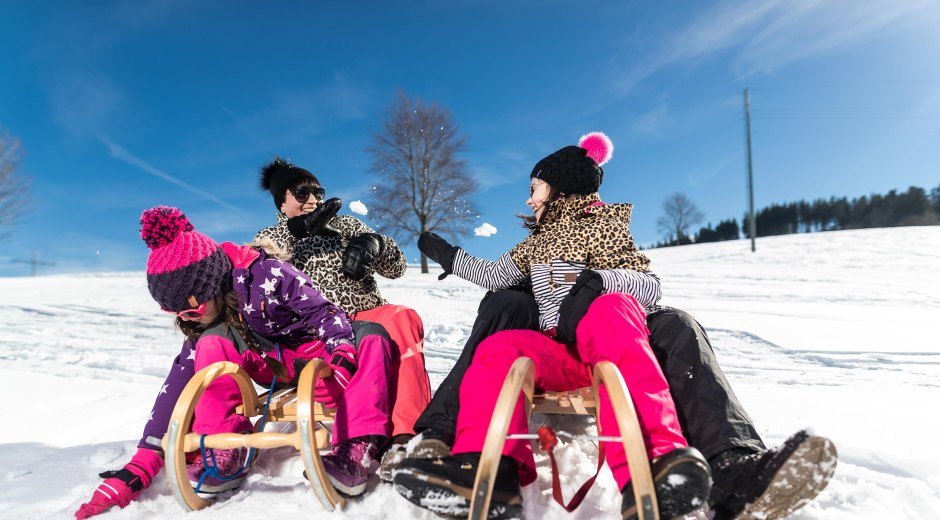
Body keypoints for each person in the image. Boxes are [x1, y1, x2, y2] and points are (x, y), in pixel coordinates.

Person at [394, 132, 712, 520]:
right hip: (559, 351)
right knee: (499, 348)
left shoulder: (602, 225)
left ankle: (657, 460)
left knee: (612, 308)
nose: (528, 199)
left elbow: (650, 285)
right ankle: (488, 472)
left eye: (535, 188)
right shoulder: (536, 242)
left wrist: (598, 282)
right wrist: (448, 255)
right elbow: (496, 275)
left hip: (608, 345)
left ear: (559, 188)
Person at [75, 206, 395, 519]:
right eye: (178, 313)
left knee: (372, 335)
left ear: (210, 283)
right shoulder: (209, 322)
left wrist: (340, 360)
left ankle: (356, 446)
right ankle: (224, 447)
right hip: (270, 366)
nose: (188, 318)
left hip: (315, 352)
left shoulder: (268, 275)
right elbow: (176, 387)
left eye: (192, 307)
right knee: (210, 344)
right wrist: (140, 466)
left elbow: (323, 312)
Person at [253, 157, 431, 478]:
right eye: (301, 193)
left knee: (403, 318)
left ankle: (406, 436)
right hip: (316, 330)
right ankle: (357, 440)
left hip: (367, 313)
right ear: (282, 203)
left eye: (317, 192)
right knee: (370, 332)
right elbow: (254, 275)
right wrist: (296, 233)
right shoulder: (272, 235)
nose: (313, 200)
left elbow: (397, 267)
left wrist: (375, 245)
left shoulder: (346, 226)